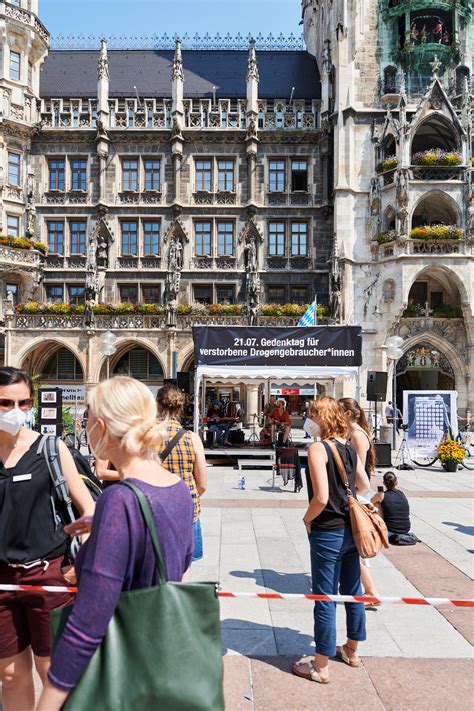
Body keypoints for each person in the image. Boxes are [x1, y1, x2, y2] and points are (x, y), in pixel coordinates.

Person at [37, 376, 194, 710]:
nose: (85, 425)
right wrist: (113, 527)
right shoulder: (177, 488)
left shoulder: (119, 500)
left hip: (118, 668)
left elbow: (87, 623)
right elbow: (179, 561)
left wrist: (47, 703)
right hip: (158, 656)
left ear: (102, 426)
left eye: (88, 417)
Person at [0, 367, 94, 711]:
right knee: (9, 675)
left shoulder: (50, 448)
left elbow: (89, 510)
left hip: (47, 575)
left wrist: (77, 565)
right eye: (5, 402)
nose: (16, 410)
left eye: (24, 402)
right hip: (2, 582)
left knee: (51, 671)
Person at [292, 396, 370, 684]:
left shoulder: (318, 448)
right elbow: (363, 484)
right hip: (351, 528)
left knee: (324, 597)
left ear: (321, 418)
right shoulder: (349, 445)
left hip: (328, 530)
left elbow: (321, 498)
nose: (307, 420)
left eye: (311, 415)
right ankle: (351, 650)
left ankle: (321, 665)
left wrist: (307, 519)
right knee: (353, 590)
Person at [156, 384, 207, 561]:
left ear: (157, 406)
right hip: (187, 510)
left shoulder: (146, 436)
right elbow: (202, 484)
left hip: (154, 512)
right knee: (184, 567)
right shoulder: (192, 438)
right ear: (180, 408)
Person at [339, 398, 379, 607]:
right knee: (354, 544)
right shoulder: (353, 433)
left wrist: (352, 494)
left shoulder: (357, 435)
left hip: (355, 494)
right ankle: (368, 590)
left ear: (347, 413)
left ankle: (371, 592)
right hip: (352, 492)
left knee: (356, 544)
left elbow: (359, 469)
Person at [372, 471, 411, 542]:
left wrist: (378, 495)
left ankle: (380, 527)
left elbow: (370, 503)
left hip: (391, 531)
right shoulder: (401, 493)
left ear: (384, 483)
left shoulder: (381, 495)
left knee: (377, 504)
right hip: (406, 529)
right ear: (396, 482)